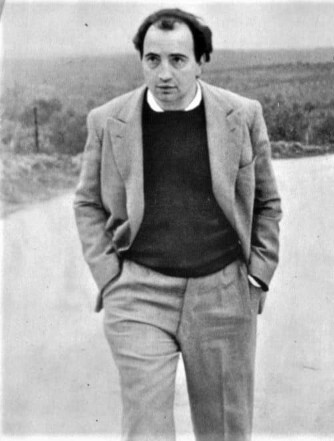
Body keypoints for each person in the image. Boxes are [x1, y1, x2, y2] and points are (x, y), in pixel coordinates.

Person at [73, 8, 281, 440]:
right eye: (153, 59)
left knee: (224, 428)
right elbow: (88, 202)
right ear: (141, 61)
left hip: (223, 294)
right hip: (139, 295)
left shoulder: (242, 115)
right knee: (146, 426)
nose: (164, 73)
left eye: (178, 60)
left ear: (201, 62)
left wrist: (258, 276)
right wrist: (110, 278)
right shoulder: (107, 121)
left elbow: (267, 202)